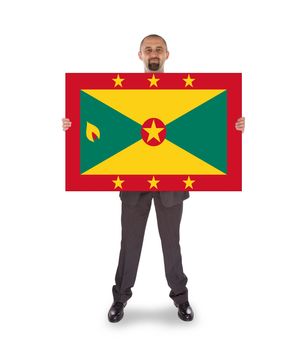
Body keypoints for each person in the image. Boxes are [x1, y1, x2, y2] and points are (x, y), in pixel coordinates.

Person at [63, 34, 245, 323]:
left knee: (171, 243)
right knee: (130, 243)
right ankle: (119, 298)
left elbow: (203, 125)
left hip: (171, 183)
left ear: (167, 54)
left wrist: (234, 124)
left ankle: (180, 298)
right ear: (140, 55)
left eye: (158, 49)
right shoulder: (123, 92)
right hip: (134, 183)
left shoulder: (183, 92)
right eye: (148, 49)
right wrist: (73, 124)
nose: (153, 53)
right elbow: (101, 126)